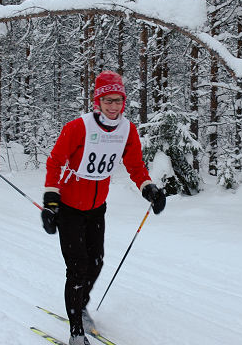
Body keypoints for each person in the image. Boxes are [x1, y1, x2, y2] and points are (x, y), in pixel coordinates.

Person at [42, 71, 166, 345]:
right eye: (107, 100)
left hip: (97, 207)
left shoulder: (127, 130)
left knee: (96, 263)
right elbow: (55, 162)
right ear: (97, 101)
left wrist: (149, 188)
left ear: (123, 101)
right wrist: (50, 202)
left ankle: (81, 306)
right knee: (78, 268)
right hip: (70, 208)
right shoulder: (78, 127)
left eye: (118, 100)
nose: (113, 106)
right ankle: (76, 333)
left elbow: (134, 165)